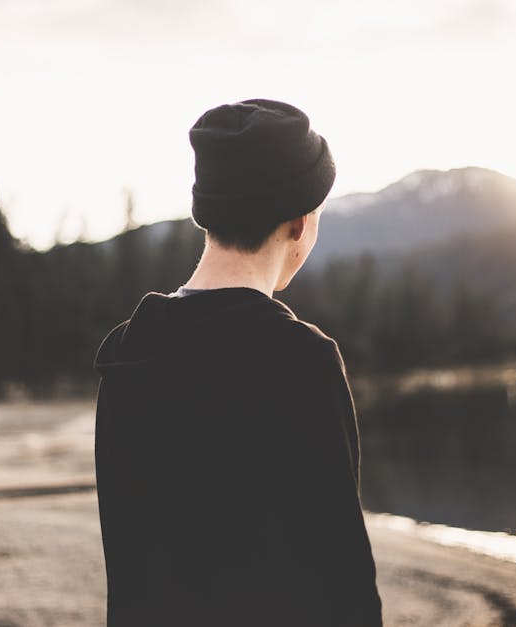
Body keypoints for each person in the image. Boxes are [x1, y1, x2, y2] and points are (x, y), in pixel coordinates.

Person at [93, 98, 383, 627]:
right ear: (299, 222)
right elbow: (343, 581)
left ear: (210, 215)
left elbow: (129, 557)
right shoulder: (302, 360)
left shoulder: (126, 352)